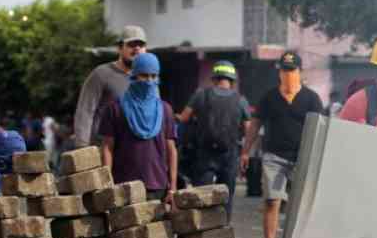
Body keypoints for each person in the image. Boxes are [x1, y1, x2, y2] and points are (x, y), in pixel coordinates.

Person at [239, 51, 323, 238]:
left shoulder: (312, 99)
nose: (288, 75)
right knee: (271, 200)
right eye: (284, 71)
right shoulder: (269, 98)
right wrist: (245, 151)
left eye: (292, 71)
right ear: (279, 73)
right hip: (274, 157)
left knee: (301, 205)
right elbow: (255, 125)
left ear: (300, 72)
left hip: (302, 158)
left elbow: (320, 129)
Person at [97, 53, 178, 203]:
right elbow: (107, 148)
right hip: (123, 187)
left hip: (157, 187)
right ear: (134, 76)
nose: (149, 81)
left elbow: (171, 150)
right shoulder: (115, 109)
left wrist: (172, 188)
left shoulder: (165, 109)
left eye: (154, 76)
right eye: (144, 76)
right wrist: (107, 185)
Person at [176, 60, 250, 218]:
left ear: (214, 78)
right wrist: (245, 153)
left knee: (201, 197)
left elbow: (183, 118)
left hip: (204, 154)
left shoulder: (200, 94)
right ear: (231, 80)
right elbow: (248, 129)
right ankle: (224, 233)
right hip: (229, 155)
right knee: (226, 199)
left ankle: (200, 233)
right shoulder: (241, 100)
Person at [74, 25, 147, 147]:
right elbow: (85, 111)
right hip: (103, 148)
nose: (137, 48)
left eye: (141, 45)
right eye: (131, 45)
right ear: (119, 48)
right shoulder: (101, 74)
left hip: (135, 150)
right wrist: (82, 146)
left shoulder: (149, 78)